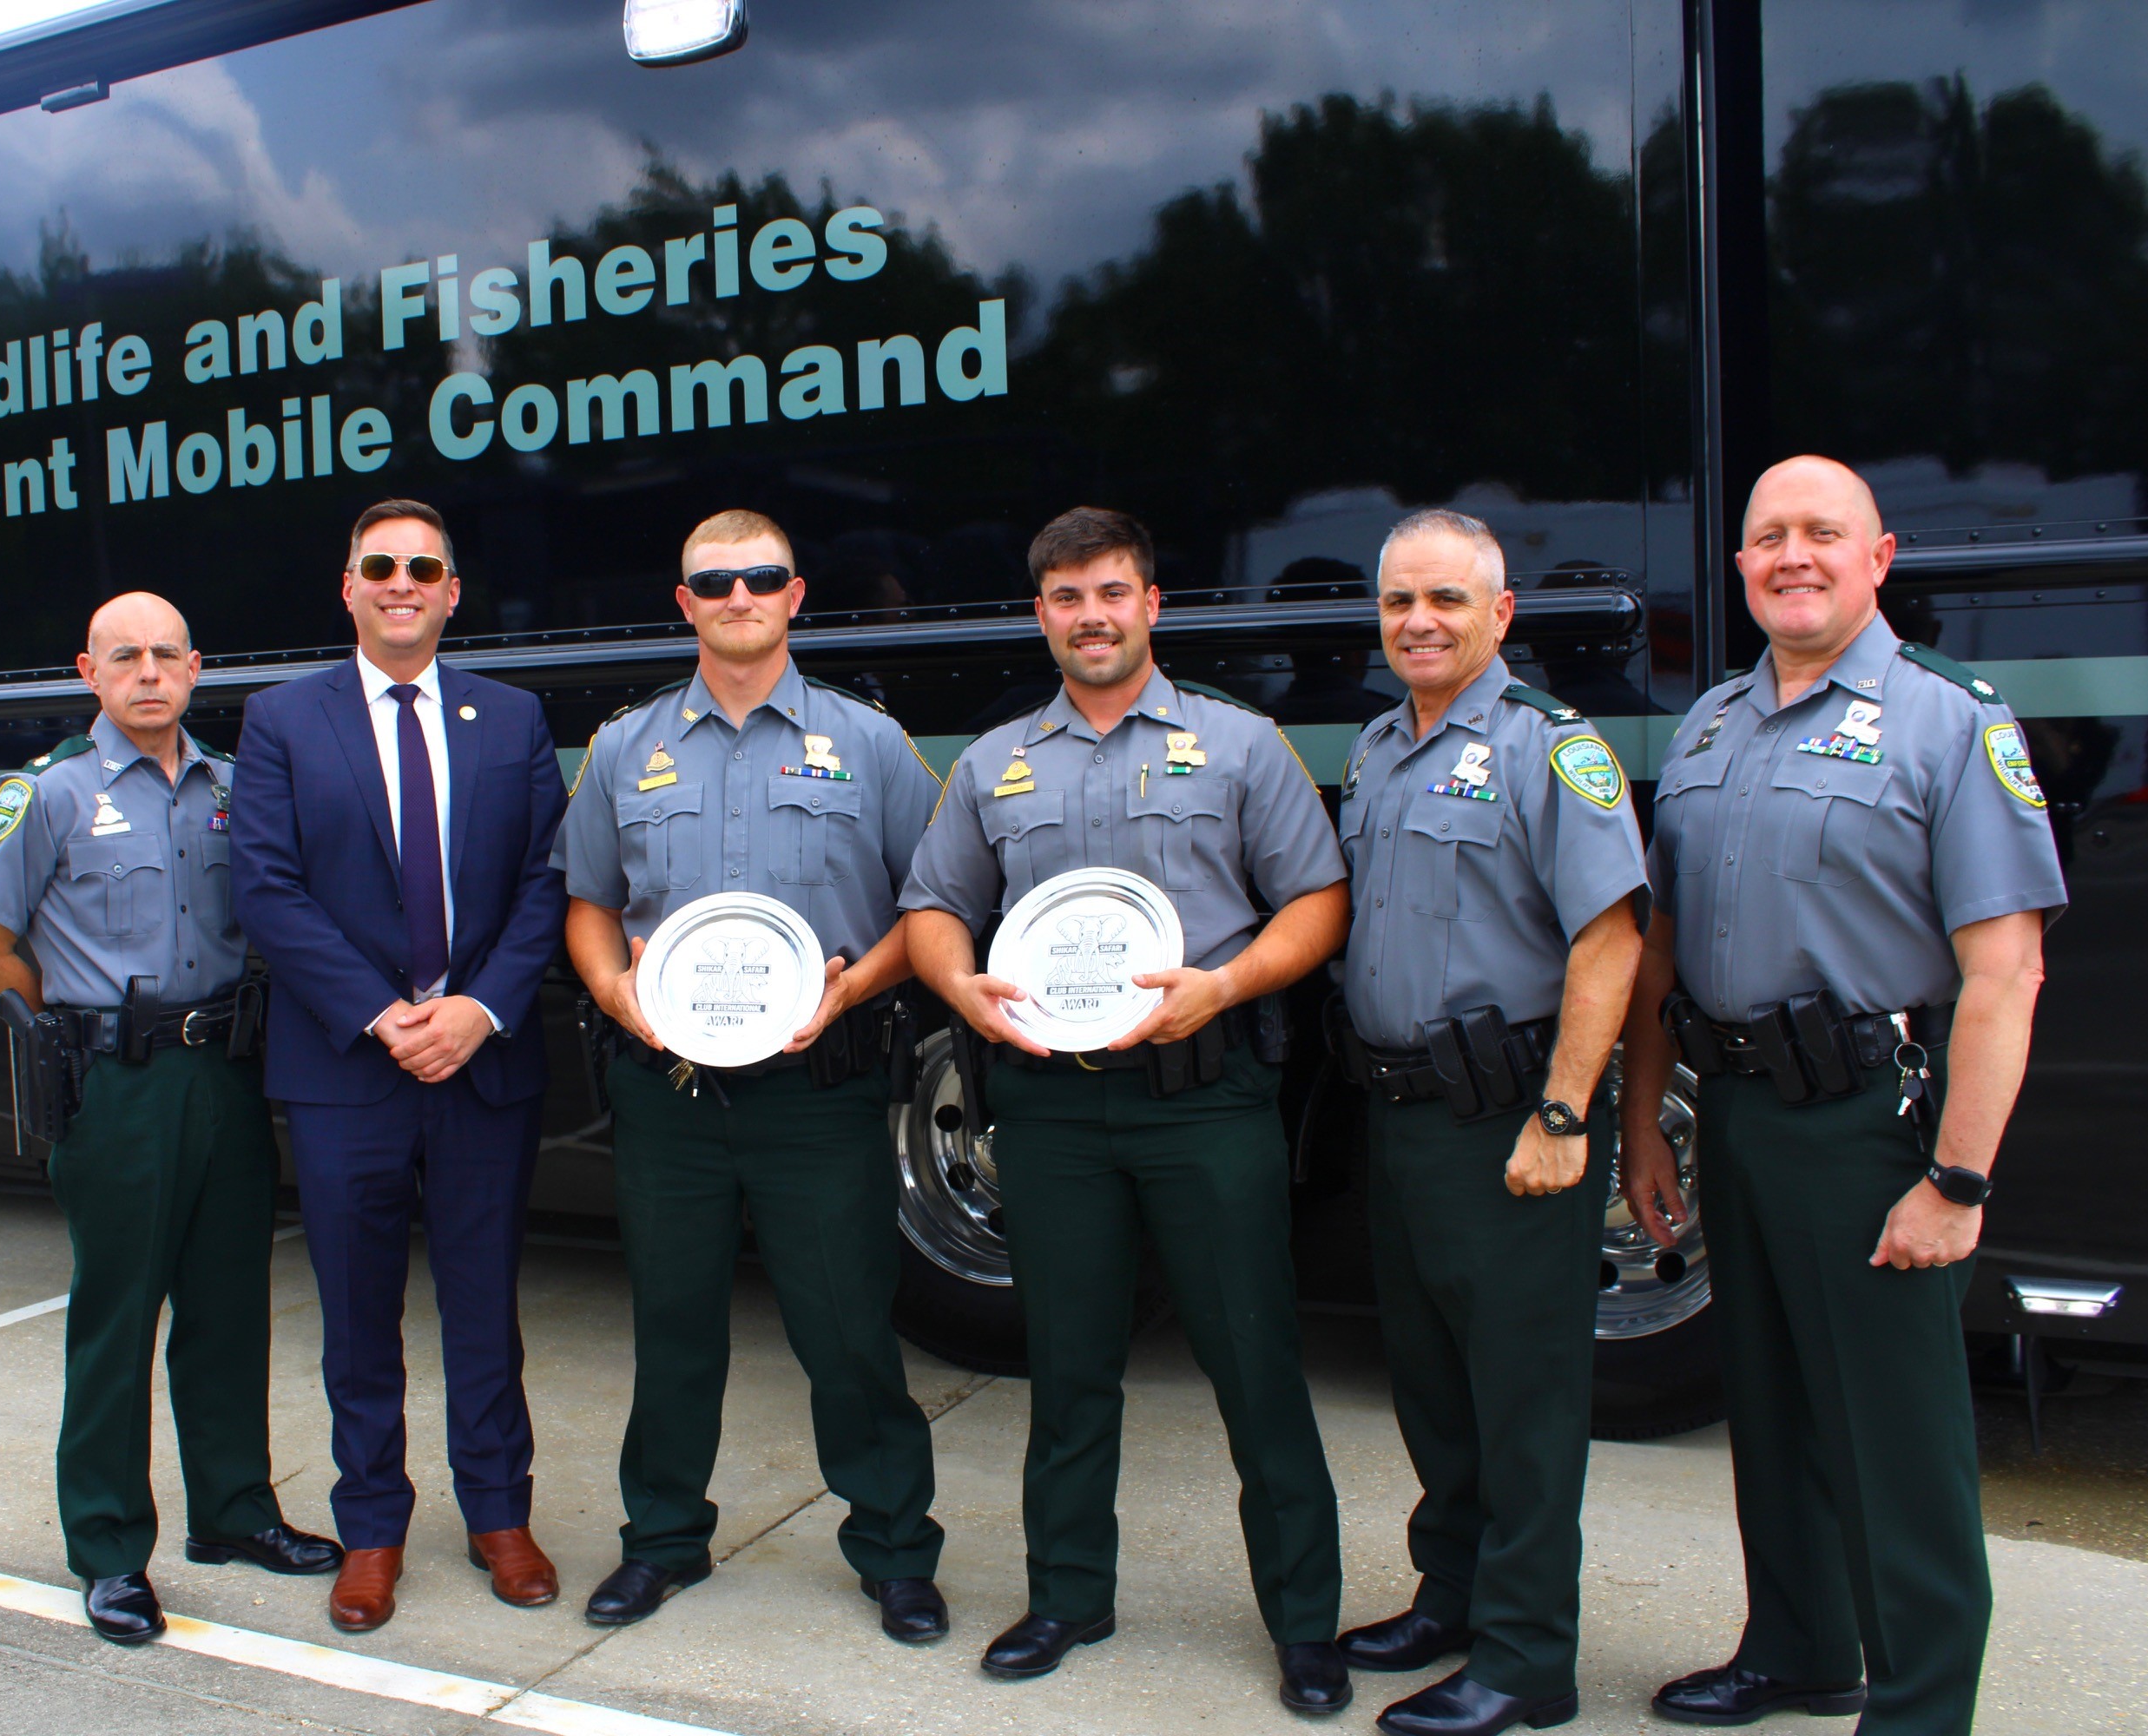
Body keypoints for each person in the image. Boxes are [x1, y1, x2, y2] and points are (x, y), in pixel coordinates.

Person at [1618, 457, 2064, 1734]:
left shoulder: (1948, 721)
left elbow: (2006, 972)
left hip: (1869, 1118)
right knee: (1771, 1409)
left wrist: (1957, 1181)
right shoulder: (1710, 726)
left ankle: (1920, 1706)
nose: (1793, 556)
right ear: (1742, 566)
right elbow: (1660, 951)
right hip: (1739, 1109)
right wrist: (1643, 1122)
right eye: (1770, 537)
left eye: (1824, 532)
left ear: (1880, 558)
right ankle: (1799, 1651)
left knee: (1894, 1439)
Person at [902, 507, 1354, 1714]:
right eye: (1066, 597)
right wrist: (961, 987)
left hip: (1204, 1101)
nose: (1090, 616)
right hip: (1051, 1108)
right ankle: (1067, 1595)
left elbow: (1317, 902)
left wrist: (1228, 985)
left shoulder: (1238, 744)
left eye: (1111, 592)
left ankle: (1305, 1622)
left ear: (1152, 603)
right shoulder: (995, 763)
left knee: (1254, 1362)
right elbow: (935, 906)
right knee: (1068, 1363)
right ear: (1040, 613)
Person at [554, 509, 950, 1639]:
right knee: (673, 1325)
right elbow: (588, 903)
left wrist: (851, 989)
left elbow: (934, 903)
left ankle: (895, 1548)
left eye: (762, 578)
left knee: (847, 1329)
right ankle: (662, 1539)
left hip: (817, 1089)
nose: (740, 597)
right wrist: (612, 989)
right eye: (716, 582)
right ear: (685, 603)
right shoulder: (624, 747)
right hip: (669, 1092)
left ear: (795, 594)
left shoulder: (868, 742)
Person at [0, 591, 341, 1645]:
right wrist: (61, 1038)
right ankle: (110, 1548)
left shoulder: (235, 786)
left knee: (230, 1307)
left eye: (167, 654)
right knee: (118, 1319)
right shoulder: (48, 794)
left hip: (225, 1072)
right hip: (117, 1085)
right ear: (90, 671)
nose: (150, 672)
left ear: (196, 667)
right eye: (126, 656)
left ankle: (235, 1511)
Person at [1328, 511, 1646, 1736]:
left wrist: (1563, 1112)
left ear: (1500, 614)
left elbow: (1610, 938)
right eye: (1400, 601)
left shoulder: (1549, 749)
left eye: (1447, 600)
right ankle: (1453, 1596)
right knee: (1432, 1384)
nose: (1419, 622)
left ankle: (1527, 1656)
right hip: (1403, 1114)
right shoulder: (1378, 748)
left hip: (1510, 1117)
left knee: (1522, 1399)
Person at [230, 500, 569, 1631]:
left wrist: (477, 1009)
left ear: (452, 592)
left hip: (482, 1063)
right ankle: (371, 1526)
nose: (402, 582)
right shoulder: (283, 719)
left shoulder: (511, 717)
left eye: (425, 567)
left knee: (484, 1305)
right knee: (357, 1315)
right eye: (380, 565)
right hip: (346, 1069)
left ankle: (499, 1514)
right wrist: (384, 1016)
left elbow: (547, 881)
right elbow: (267, 888)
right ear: (349, 586)